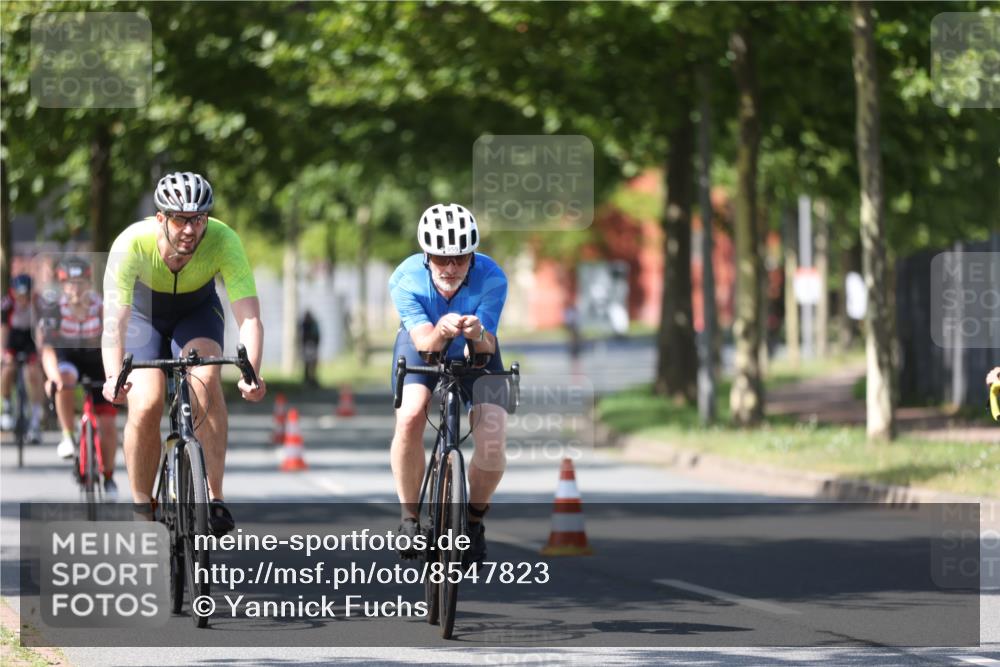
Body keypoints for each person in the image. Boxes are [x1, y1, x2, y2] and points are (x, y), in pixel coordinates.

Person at [102, 171, 266, 534]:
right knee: (146, 403)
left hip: (197, 313)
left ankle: (214, 497)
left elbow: (250, 316)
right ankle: (143, 508)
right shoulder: (132, 243)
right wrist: (113, 376)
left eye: (199, 219)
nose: (191, 230)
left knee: (205, 380)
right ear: (161, 218)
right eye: (180, 219)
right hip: (144, 317)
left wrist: (252, 372)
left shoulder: (224, 240)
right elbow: (116, 319)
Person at [388, 203, 508, 566]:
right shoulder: (405, 278)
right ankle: (409, 518)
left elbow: (487, 345)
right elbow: (424, 342)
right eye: (442, 259)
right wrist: (441, 330)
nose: (452, 268)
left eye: (460, 258)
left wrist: (478, 332)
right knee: (410, 416)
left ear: (473, 255)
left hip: (477, 347)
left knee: (493, 436)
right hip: (422, 341)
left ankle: (472, 522)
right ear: (427, 255)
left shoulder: (493, 277)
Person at [39, 256, 120, 498]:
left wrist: (116, 375)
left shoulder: (101, 307)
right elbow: (48, 350)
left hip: (98, 358)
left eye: (81, 283)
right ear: (63, 286)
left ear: (89, 284)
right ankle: (67, 436)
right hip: (68, 357)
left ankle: (108, 476)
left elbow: (115, 342)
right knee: (64, 380)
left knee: (107, 424)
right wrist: (52, 378)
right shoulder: (55, 310)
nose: (76, 288)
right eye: (70, 283)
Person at [1, 273, 45, 442]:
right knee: (8, 368)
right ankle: (6, 406)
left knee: (33, 372)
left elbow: (41, 332)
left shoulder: (38, 303)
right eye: (19, 295)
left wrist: (40, 354)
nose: (22, 299)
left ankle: (35, 417)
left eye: (25, 295)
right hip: (13, 337)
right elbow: (3, 330)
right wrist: (3, 353)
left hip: (31, 338)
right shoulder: (7, 304)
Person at [300, 309, 320, 388]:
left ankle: (311, 379)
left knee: (310, 364)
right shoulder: (305, 324)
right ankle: (309, 379)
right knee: (309, 363)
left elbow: (316, 335)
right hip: (308, 345)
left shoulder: (308, 324)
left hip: (310, 345)